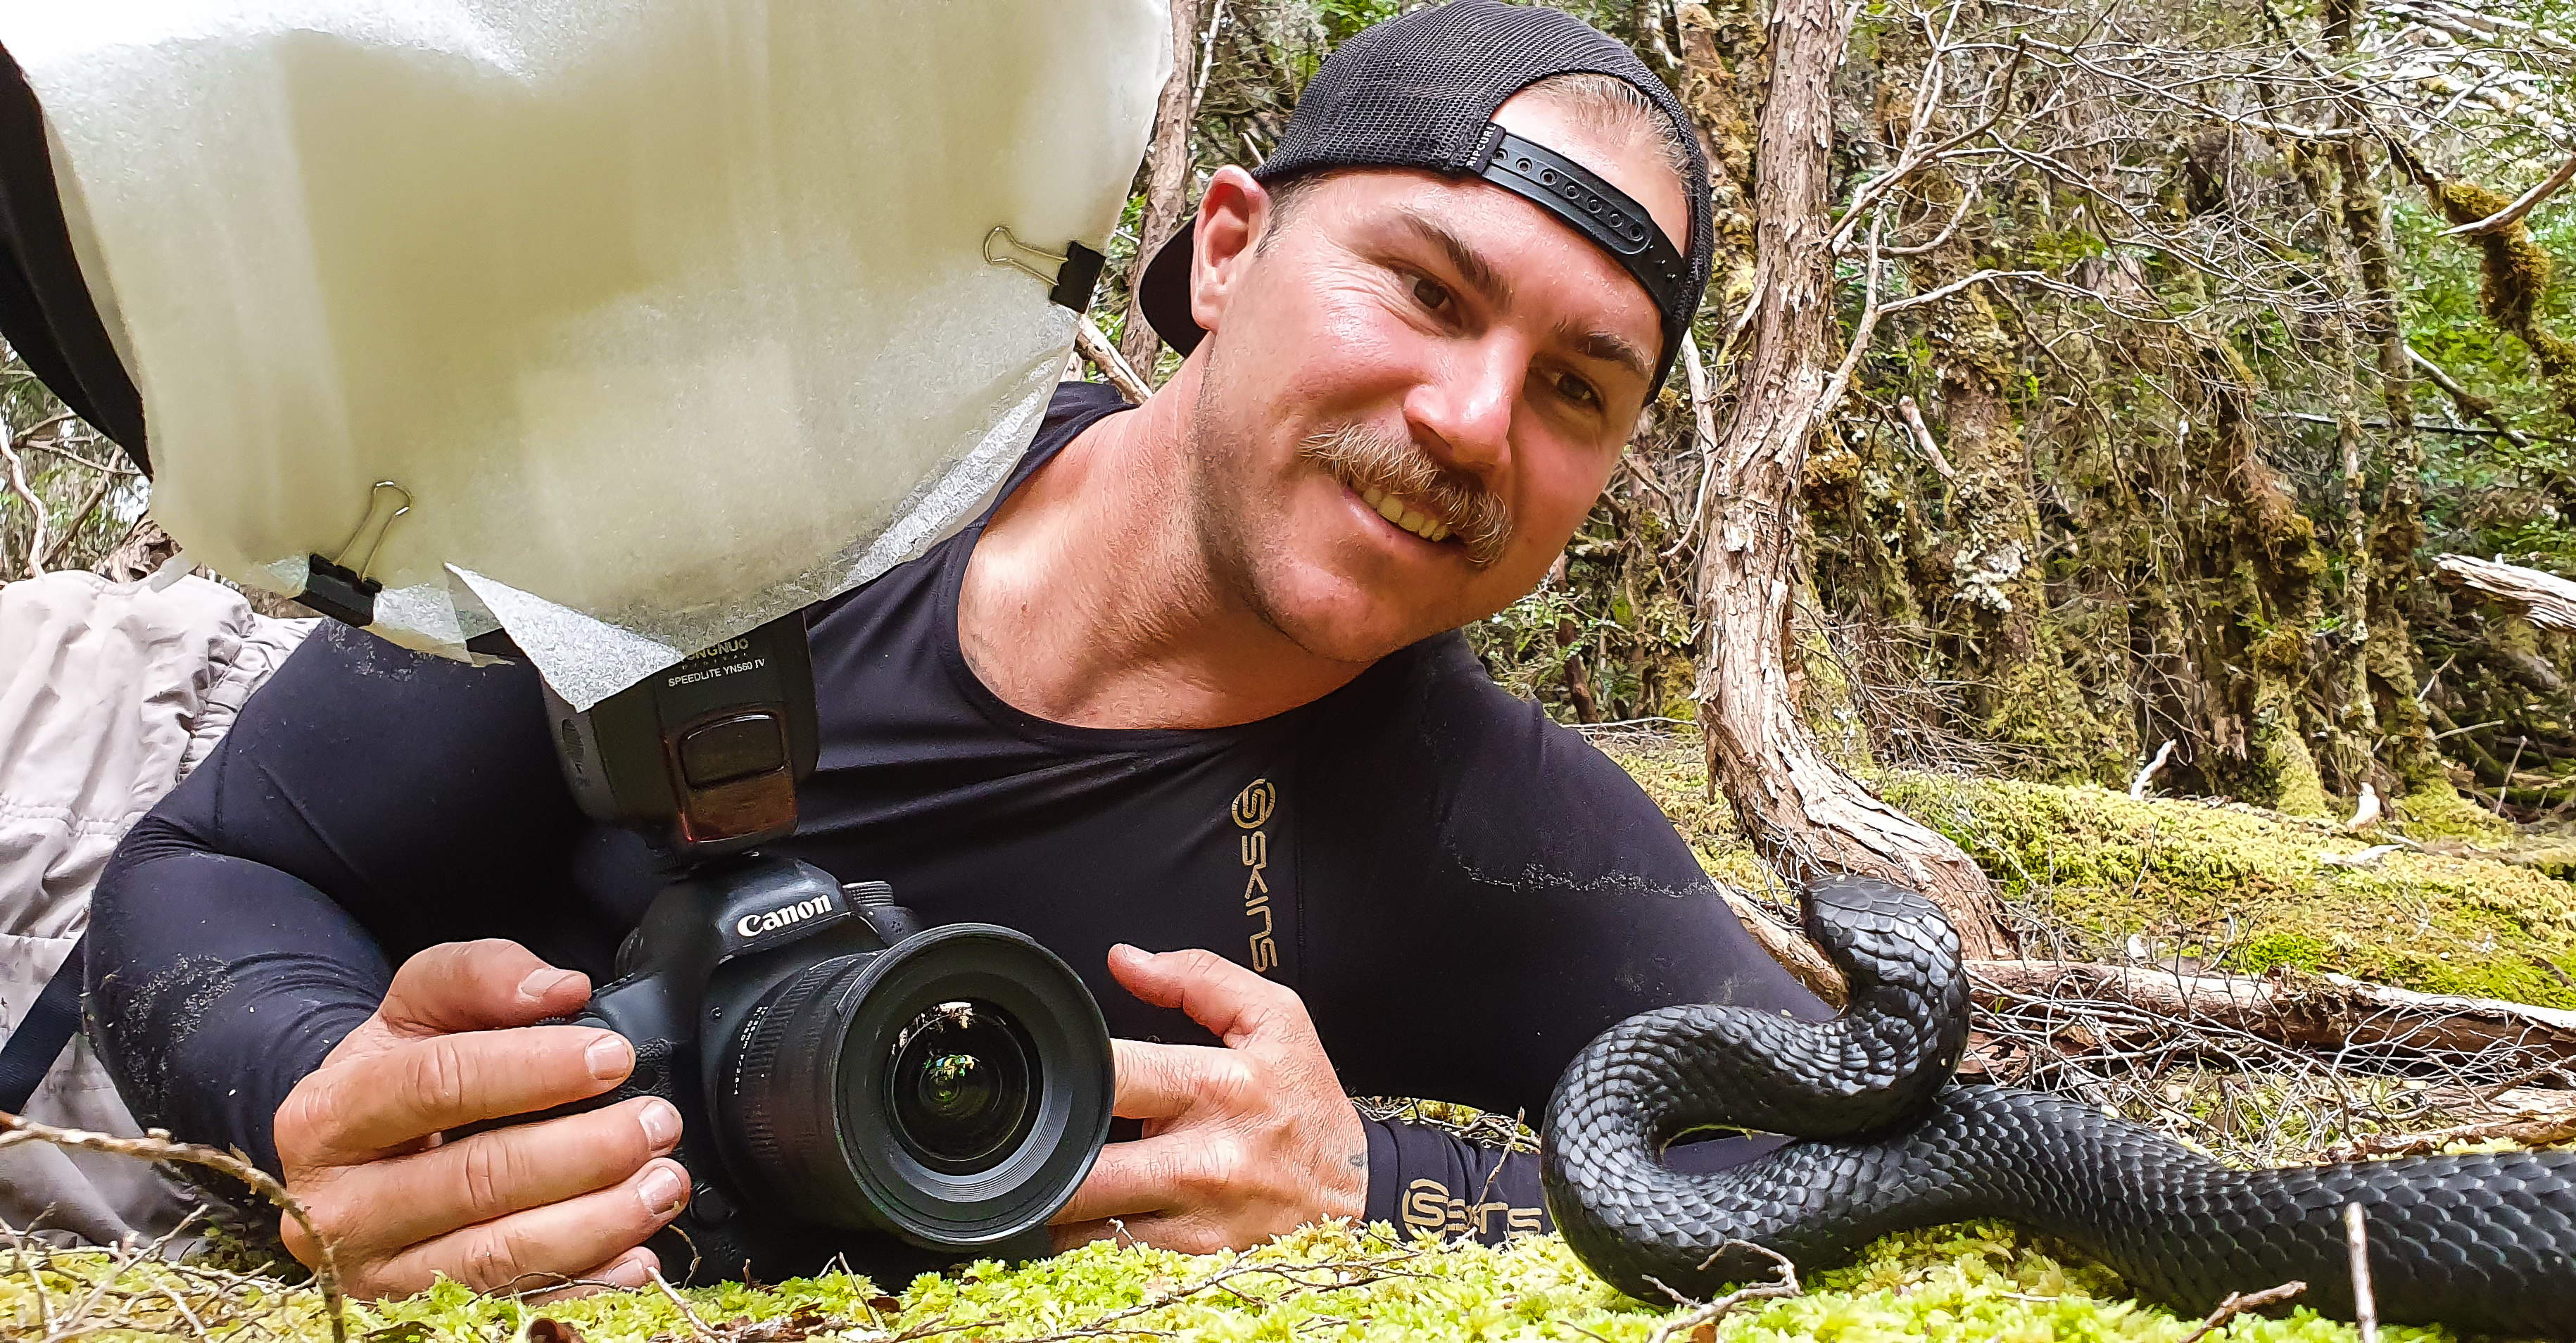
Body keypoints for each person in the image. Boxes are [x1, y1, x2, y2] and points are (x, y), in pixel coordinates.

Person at [86, 0, 1827, 1301]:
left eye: (1576, 390)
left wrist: (1381, 1178)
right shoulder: (790, 491)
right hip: (151, 724)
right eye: (1427, 291)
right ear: (1227, 248)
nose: (1469, 418)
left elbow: (1864, 1152)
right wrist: (317, 1089)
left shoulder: (1487, 833)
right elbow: (216, 854)